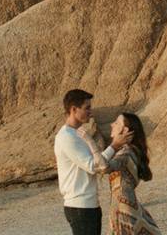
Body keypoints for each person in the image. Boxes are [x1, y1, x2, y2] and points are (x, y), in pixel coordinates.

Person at [54, 89, 133, 235]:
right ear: (73, 109)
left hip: (89, 205)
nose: (91, 112)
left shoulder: (78, 134)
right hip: (80, 206)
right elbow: (93, 166)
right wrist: (115, 146)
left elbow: (97, 161)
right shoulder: (67, 137)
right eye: (87, 108)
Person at [81, 112, 161, 235]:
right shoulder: (131, 150)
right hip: (127, 206)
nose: (112, 124)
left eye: (117, 123)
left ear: (125, 130)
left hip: (123, 209)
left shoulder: (126, 153)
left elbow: (103, 167)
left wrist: (90, 141)